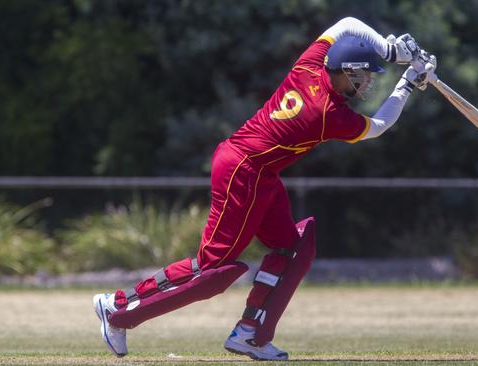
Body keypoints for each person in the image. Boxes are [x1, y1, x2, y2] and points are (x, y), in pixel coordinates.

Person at [93, 16, 436, 361]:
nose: (366, 84)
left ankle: (250, 334)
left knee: (293, 248)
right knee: (211, 269)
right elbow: (378, 126)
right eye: (363, 76)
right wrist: (407, 81)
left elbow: (346, 24)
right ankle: (118, 308)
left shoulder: (309, 66)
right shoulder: (327, 113)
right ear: (346, 71)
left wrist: (389, 51)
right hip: (242, 170)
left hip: (260, 173)